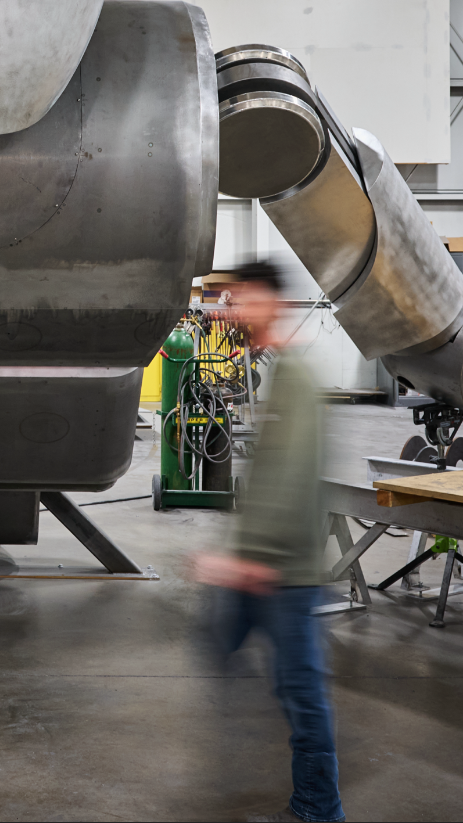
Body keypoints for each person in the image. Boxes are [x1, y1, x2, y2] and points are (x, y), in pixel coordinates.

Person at [190, 259, 344, 823]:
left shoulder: (297, 379)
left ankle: (318, 811)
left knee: (303, 696)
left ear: (272, 302)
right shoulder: (275, 371)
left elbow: (296, 478)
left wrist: (255, 563)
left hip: (285, 575)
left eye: (243, 298)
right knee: (222, 646)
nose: (233, 310)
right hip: (258, 568)